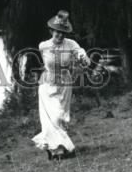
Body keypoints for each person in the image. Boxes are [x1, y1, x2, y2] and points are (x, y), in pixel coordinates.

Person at [31, 11, 98, 160]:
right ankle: (58, 150)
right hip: (47, 84)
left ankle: (56, 151)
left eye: (62, 33)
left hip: (65, 84)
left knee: (61, 117)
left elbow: (80, 52)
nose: (60, 35)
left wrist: (83, 57)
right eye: (57, 32)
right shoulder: (43, 46)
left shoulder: (71, 44)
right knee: (52, 118)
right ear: (51, 31)